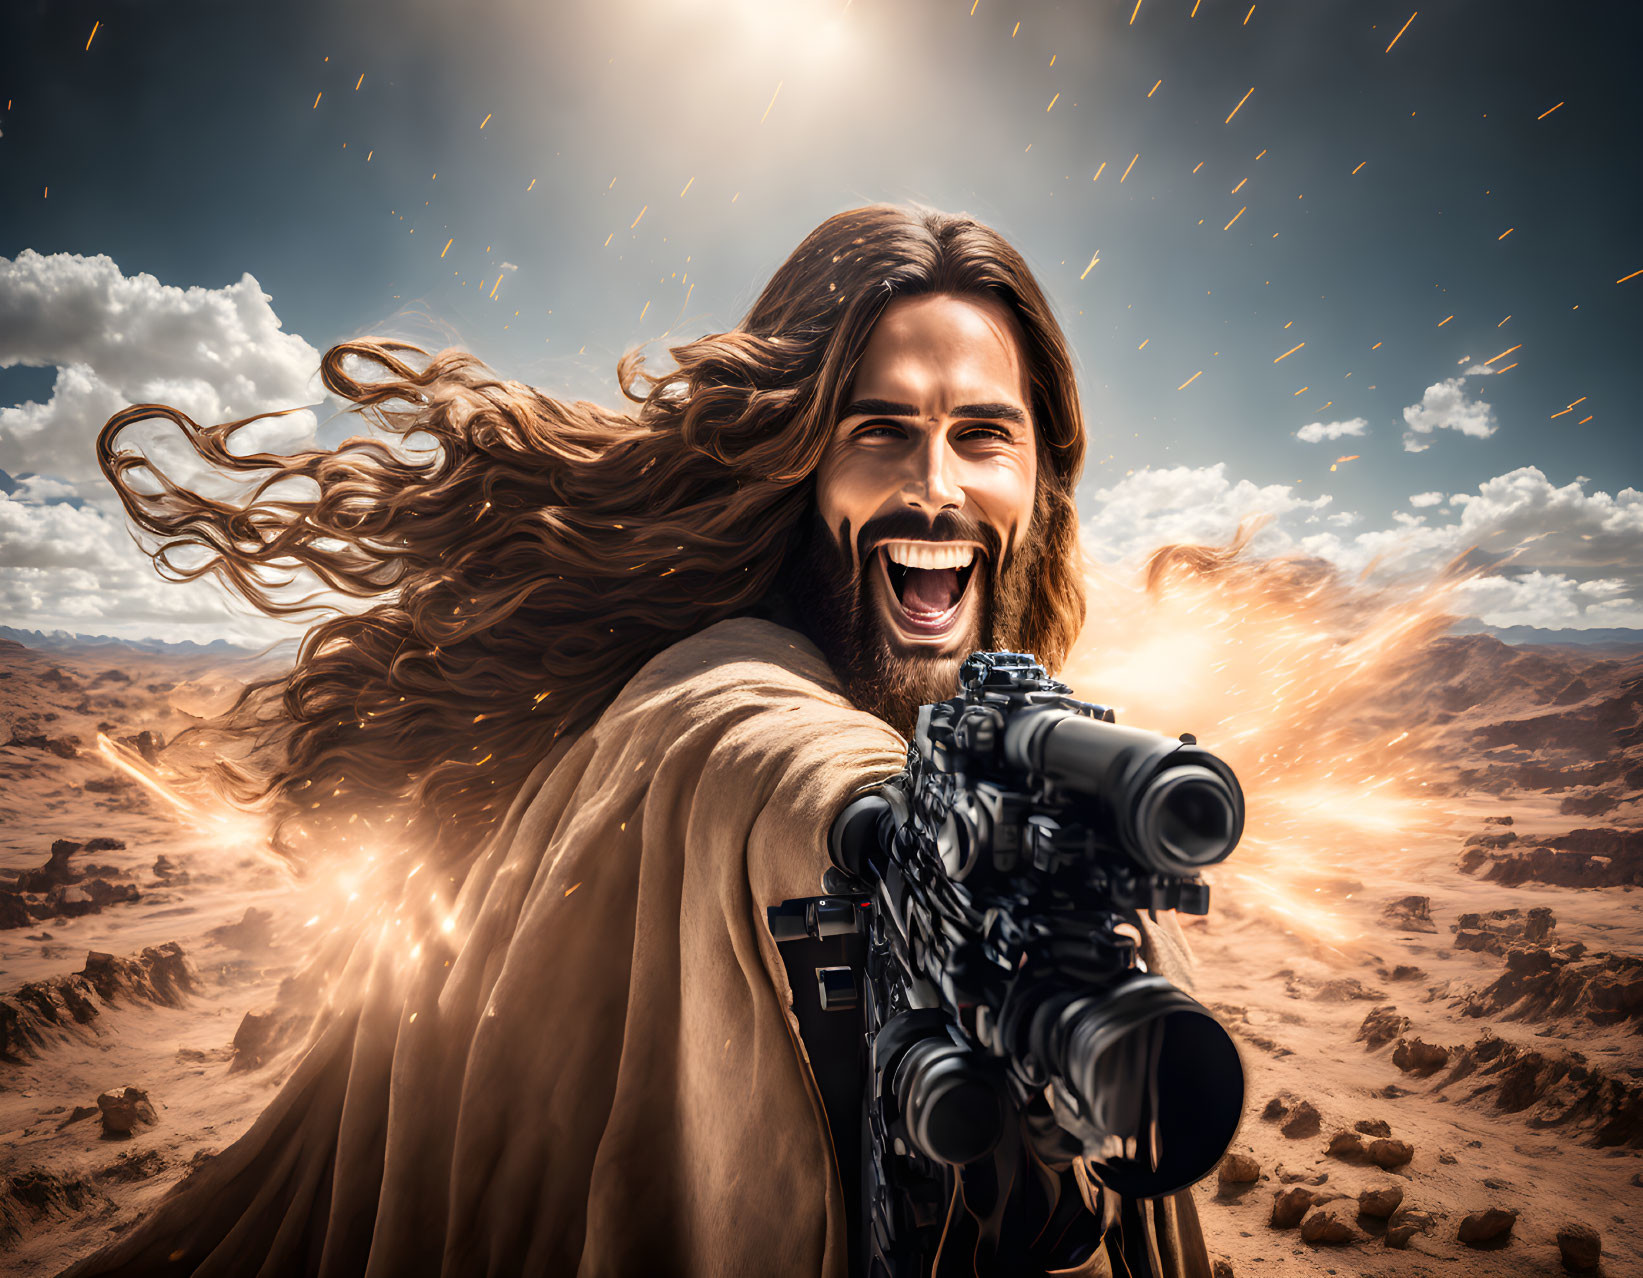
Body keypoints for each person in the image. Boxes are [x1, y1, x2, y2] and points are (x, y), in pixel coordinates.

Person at [68, 204, 1212, 1276]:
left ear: (1040, 483)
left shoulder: (1003, 711)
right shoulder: (718, 671)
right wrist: (889, 821)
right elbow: (745, 741)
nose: (932, 485)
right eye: (877, 430)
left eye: (980, 436)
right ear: (794, 460)